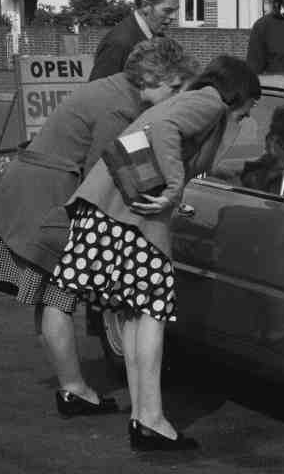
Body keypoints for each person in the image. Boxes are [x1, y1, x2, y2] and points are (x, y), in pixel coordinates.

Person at [0, 38, 196, 417]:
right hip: (47, 197)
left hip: (35, 190)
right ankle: (74, 390)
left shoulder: (115, 90)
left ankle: (72, 386)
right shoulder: (119, 106)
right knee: (57, 295)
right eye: (175, 89)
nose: (177, 98)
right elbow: (108, 172)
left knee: (51, 295)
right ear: (156, 79)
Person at [54, 56, 262, 451]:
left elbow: (158, 133)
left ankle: (144, 416)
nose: (252, 110)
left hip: (111, 206)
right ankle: (149, 418)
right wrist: (173, 187)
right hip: (129, 216)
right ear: (238, 90)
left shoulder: (192, 99)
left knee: (136, 314)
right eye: (252, 101)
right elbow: (165, 130)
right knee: (152, 311)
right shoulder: (210, 102)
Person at [88, 0, 181, 81]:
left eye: (175, 11)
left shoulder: (157, 37)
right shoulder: (119, 43)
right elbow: (99, 91)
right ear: (146, 6)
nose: (173, 17)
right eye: (167, 11)